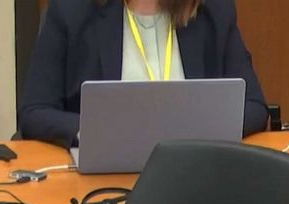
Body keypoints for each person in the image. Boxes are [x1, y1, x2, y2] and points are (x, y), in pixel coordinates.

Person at [19, 0, 268, 146]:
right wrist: (99, 130)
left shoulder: (212, 10)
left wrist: (198, 129)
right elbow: (34, 113)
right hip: (103, 179)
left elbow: (255, 107)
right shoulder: (72, 10)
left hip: (193, 171)